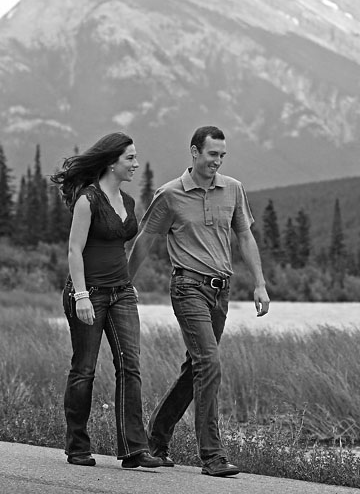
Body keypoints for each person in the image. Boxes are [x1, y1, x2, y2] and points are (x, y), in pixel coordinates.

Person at [128, 125, 270, 478]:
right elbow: (145, 240)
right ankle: (212, 455)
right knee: (209, 363)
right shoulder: (170, 194)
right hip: (187, 286)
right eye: (212, 154)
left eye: (222, 155)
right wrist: (122, 283)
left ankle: (156, 440)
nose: (217, 161)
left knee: (196, 367)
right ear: (194, 152)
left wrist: (260, 284)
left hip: (222, 290)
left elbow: (245, 236)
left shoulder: (233, 189)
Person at [51, 132, 164, 469]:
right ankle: (77, 446)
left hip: (121, 293)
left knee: (131, 367)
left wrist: (127, 282)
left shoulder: (127, 202)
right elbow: (74, 250)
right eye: (130, 158)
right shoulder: (89, 199)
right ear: (112, 162)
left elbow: (122, 246)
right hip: (89, 294)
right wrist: (82, 294)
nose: (135, 164)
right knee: (84, 370)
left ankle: (133, 449)